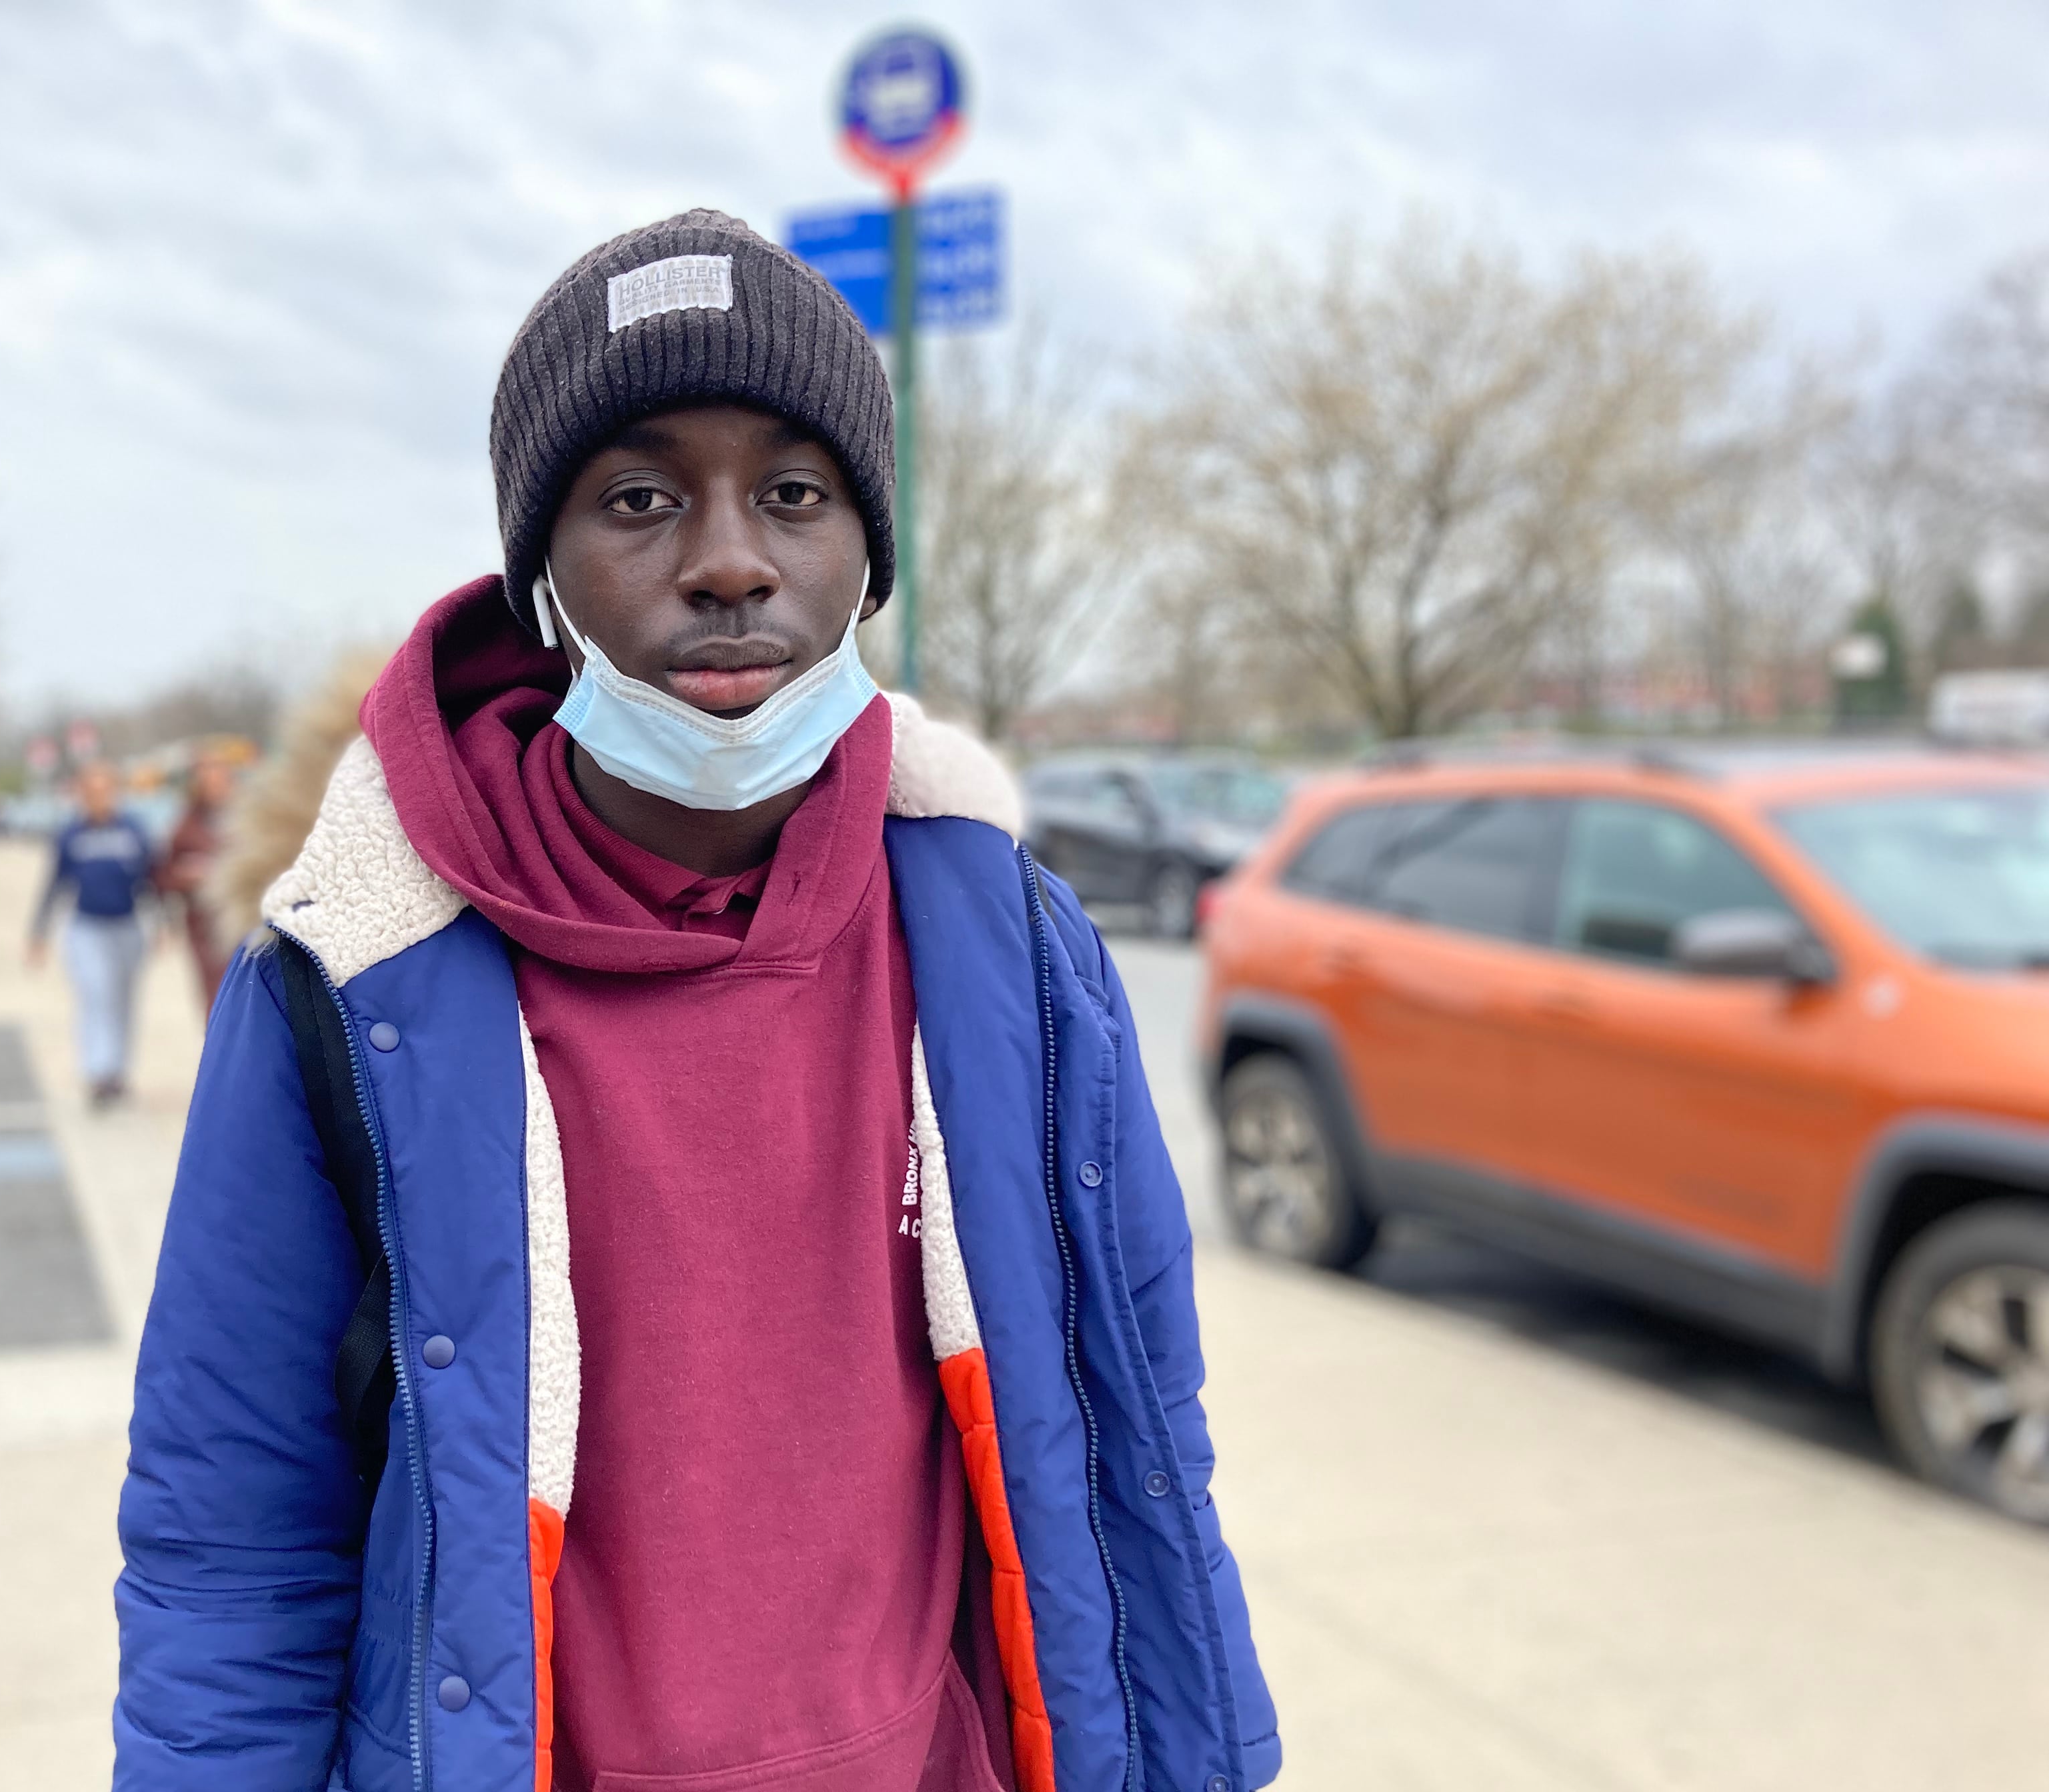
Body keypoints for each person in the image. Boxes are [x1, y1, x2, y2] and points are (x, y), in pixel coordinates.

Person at [114, 212, 1278, 1792]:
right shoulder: (352, 986)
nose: (730, 559)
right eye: (641, 499)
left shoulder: (1010, 948)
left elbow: (1141, 1433)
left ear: (867, 555)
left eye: (793, 493)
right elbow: (230, 1540)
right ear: (540, 578)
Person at [29, 763, 155, 1108]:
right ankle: (98, 1072)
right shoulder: (72, 834)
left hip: (128, 927)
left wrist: (164, 921)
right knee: (96, 995)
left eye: (106, 790)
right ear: (82, 796)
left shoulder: (133, 831)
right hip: (87, 929)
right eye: (92, 792)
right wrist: (38, 933)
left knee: (122, 1001)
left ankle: (117, 1073)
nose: (100, 798)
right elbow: (54, 884)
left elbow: (152, 879)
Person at [151, 748, 236, 1020]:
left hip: (247, 922)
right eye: (207, 781)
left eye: (219, 779)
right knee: (216, 999)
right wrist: (185, 877)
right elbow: (163, 875)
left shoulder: (249, 819)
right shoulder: (185, 825)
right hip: (204, 926)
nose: (215, 787)